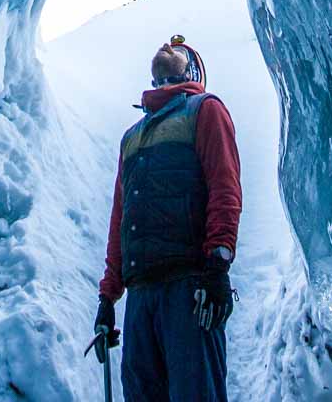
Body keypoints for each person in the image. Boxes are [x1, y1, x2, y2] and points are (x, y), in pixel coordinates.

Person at [92, 35, 243, 401]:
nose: (167, 47)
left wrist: (217, 265)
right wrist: (108, 298)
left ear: (191, 71)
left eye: (180, 51)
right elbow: (120, 221)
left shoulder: (205, 110)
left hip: (189, 290)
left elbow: (225, 189)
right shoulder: (132, 137)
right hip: (142, 295)